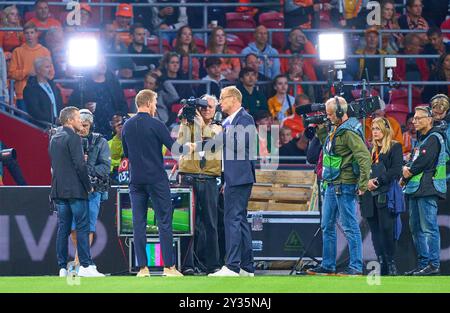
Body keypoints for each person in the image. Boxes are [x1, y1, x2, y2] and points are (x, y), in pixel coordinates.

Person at [121, 89, 183, 277]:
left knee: (138, 223)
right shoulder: (157, 124)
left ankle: (143, 269)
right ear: (148, 103)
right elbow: (175, 149)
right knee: (164, 221)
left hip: (136, 180)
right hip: (156, 179)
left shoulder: (127, 126)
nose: (156, 106)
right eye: (155, 102)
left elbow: (126, 152)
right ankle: (169, 267)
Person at [307, 96, 371, 275]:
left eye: (330, 114)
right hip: (332, 183)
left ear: (341, 112)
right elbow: (328, 149)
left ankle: (356, 267)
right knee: (327, 225)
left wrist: (363, 183)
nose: (327, 117)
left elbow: (364, 156)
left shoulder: (348, 131)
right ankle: (328, 265)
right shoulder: (336, 129)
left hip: (345, 184)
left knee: (350, 226)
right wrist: (320, 131)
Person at [49, 106, 104, 277]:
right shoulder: (74, 138)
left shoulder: (54, 138)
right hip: (75, 191)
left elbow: (56, 166)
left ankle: (62, 268)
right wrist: (88, 187)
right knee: (82, 227)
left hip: (59, 191)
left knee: (63, 229)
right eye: (78, 118)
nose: (81, 121)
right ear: (70, 120)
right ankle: (86, 266)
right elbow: (80, 166)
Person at [209, 86, 256, 277]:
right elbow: (216, 144)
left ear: (234, 99)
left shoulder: (244, 119)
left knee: (232, 220)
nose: (220, 102)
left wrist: (222, 132)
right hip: (235, 177)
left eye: (222, 98)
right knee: (240, 220)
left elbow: (238, 144)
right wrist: (193, 146)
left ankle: (232, 266)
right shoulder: (230, 122)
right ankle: (246, 267)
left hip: (239, 177)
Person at [176, 95, 222, 275]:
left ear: (216, 108)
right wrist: (186, 119)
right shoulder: (187, 122)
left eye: (210, 106)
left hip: (210, 178)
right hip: (189, 176)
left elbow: (212, 142)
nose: (206, 109)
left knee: (211, 223)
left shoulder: (219, 126)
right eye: (203, 106)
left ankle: (213, 265)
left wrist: (200, 126)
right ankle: (187, 264)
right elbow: (180, 144)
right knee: (188, 223)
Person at [403, 106, 447, 276]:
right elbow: (417, 160)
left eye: (419, 118)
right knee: (416, 228)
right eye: (414, 118)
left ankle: (433, 264)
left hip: (428, 189)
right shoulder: (423, 139)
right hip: (417, 188)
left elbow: (423, 161)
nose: (415, 121)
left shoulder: (434, 138)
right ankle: (423, 264)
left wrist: (408, 171)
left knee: (428, 228)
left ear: (429, 119)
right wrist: (407, 173)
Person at [360, 117, 403, 276]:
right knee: (375, 232)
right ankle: (382, 264)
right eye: (373, 129)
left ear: (385, 129)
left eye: (378, 128)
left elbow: (396, 170)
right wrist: (363, 184)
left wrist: (377, 181)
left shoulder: (394, 147)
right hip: (369, 197)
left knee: (387, 229)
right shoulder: (368, 149)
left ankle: (391, 264)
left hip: (386, 195)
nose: (375, 132)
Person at [70, 109, 111, 269]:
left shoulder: (101, 141)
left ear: (91, 124)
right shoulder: (70, 140)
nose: (82, 129)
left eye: (85, 125)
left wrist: (87, 168)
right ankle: (80, 259)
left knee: (88, 227)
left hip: (94, 190)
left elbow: (106, 167)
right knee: (73, 228)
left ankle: (80, 262)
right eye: (80, 125)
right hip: (73, 189)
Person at [8, 22, 54, 112]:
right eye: (27, 33)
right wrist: (27, 72)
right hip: (22, 94)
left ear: (36, 34)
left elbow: (51, 73)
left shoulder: (45, 51)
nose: (29, 35)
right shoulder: (17, 51)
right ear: (23, 35)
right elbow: (12, 73)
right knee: (24, 124)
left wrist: (41, 72)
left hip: (42, 93)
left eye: (32, 32)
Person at [23, 57, 62, 125]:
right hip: (41, 128)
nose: (50, 70)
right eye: (47, 67)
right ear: (38, 70)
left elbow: (59, 104)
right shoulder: (30, 89)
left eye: (50, 67)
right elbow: (34, 111)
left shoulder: (53, 85)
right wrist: (52, 120)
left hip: (56, 126)